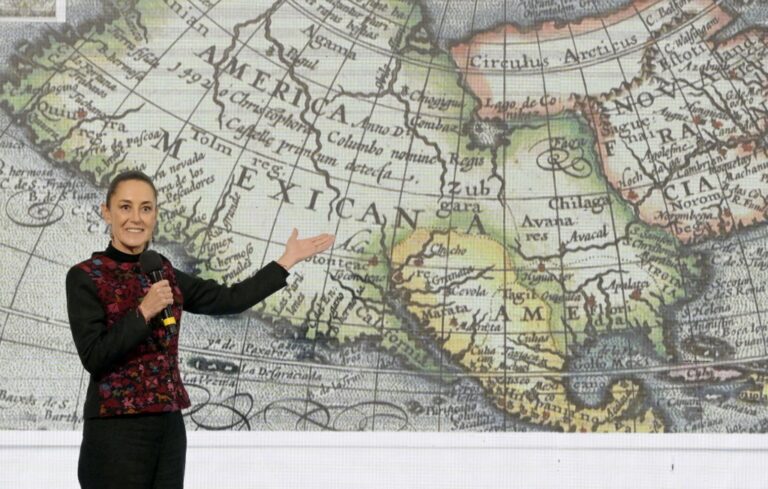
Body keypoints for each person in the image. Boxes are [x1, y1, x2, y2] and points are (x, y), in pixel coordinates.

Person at [65, 170, 334, 489]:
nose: (136, 218)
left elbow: (229, 299)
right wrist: (143, 311)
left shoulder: (162, 270)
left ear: (155, 215)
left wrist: (286, 260)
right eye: (125, 207)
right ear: (106, 212)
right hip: (115, 429)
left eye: (146, 208)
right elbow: (95, 356)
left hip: (168, 426)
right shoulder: (86, 276)